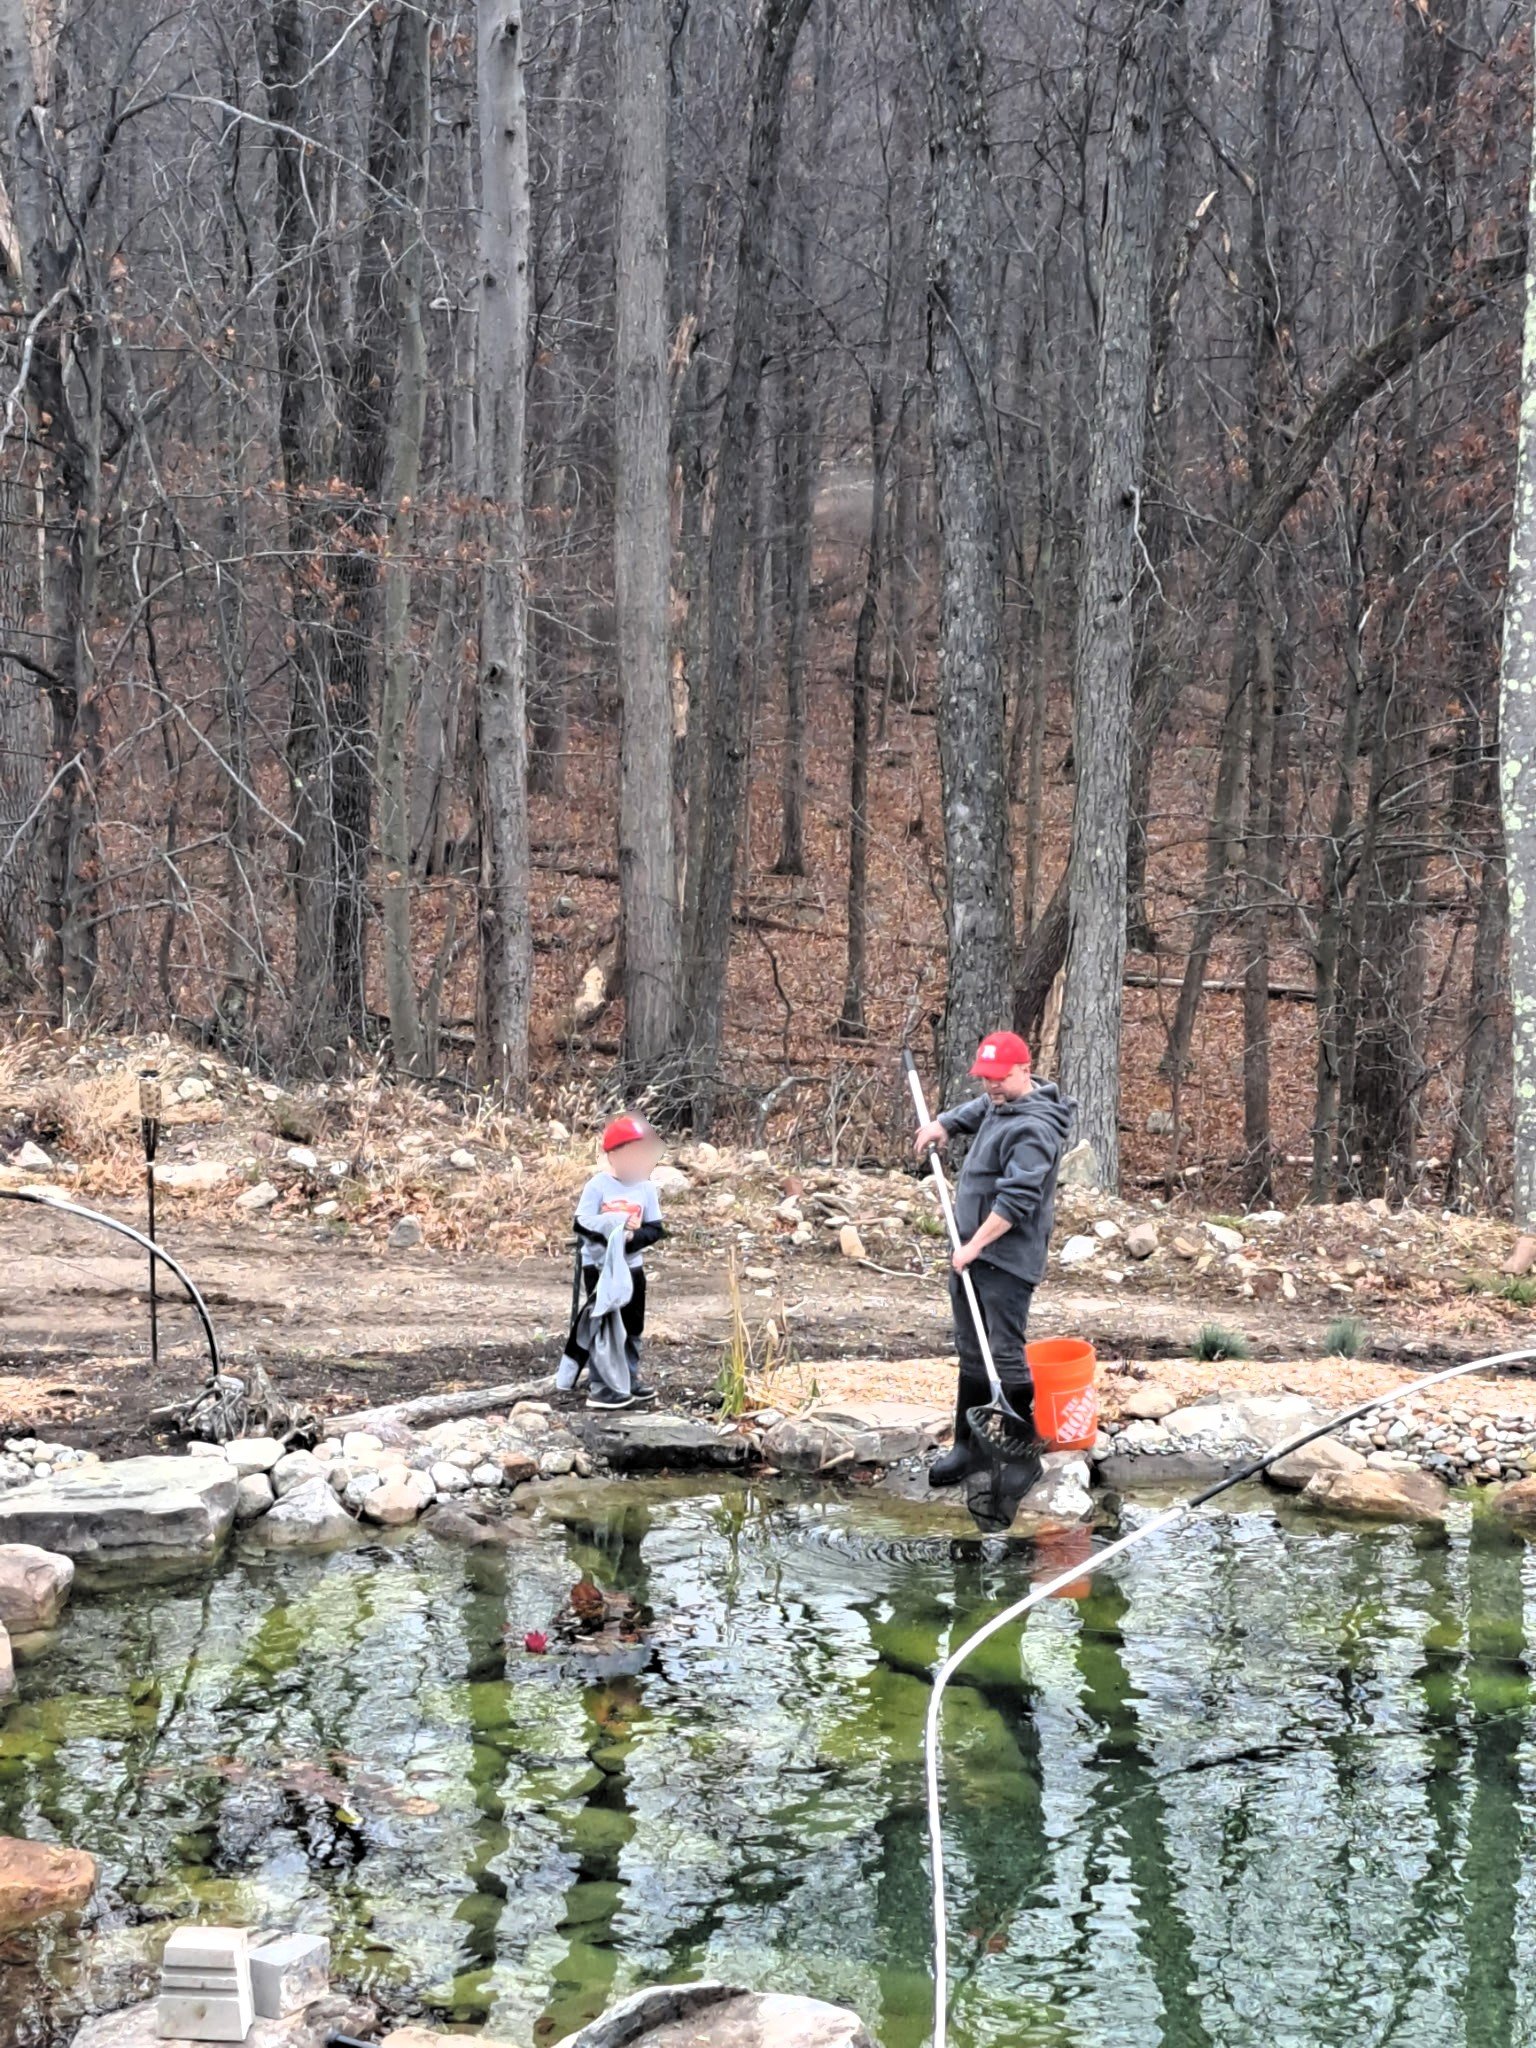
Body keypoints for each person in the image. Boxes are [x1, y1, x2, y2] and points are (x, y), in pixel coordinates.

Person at [913, 1031, 1075, 1487]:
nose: (992, 1087)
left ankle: (1020, 1456)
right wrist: (944, 1123)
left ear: (1025, 1070)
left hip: (1005, 1260)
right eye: (986, 1078)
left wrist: (975, 1245)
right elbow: (979, 1110)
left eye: (1000, 1078)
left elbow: (1016, 1201)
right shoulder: (1001, 1102)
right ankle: (968, 1449)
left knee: (1003, 1352)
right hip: (973, 1254)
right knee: (971, 1349)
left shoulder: (1036, 1129)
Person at [558, 1114, 667, 1409]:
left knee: (632, 1324)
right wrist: (613, 1227)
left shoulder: (646, 1188)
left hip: (631, 1267)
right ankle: (602, 1385)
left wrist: (633, 1239)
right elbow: (581, 1224)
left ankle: (628, 1378)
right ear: (614, 1156)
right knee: (605, 1323)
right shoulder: (598, 1186)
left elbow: (656, 1229)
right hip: (600, 1267)